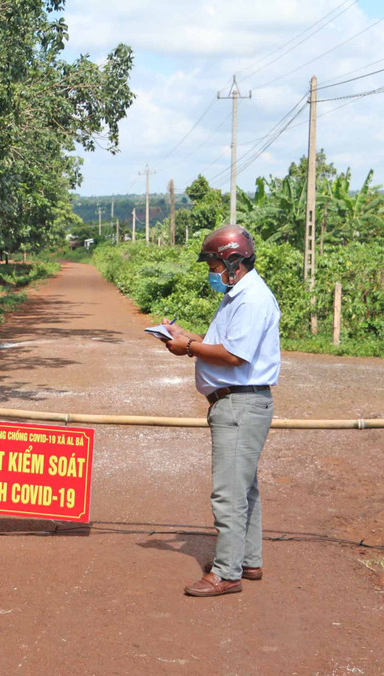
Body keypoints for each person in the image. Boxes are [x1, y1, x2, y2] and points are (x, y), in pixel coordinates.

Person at [162, 224, 281, 597]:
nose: (211, 272)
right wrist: (188, 337)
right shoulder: (237, 296)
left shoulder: (251, 299)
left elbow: (233, 355)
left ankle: (227, 572)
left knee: (229, 491)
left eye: (213, 264)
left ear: (232, 263)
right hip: (240, 401)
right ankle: (249, 560)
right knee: (245, 487)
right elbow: (226, 344)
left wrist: (189, 347)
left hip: (240, 403)